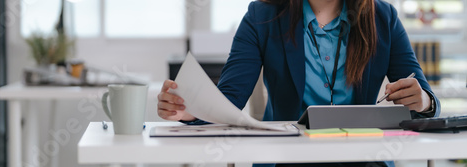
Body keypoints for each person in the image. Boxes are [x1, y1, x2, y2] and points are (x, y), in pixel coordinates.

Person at [157, 0, 441, 166]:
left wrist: (423, 101)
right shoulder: (263, 15)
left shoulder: (383, 17)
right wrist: (188, 111)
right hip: (286, 157)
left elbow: (425, 99)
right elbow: (228, 100)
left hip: (364, 157)